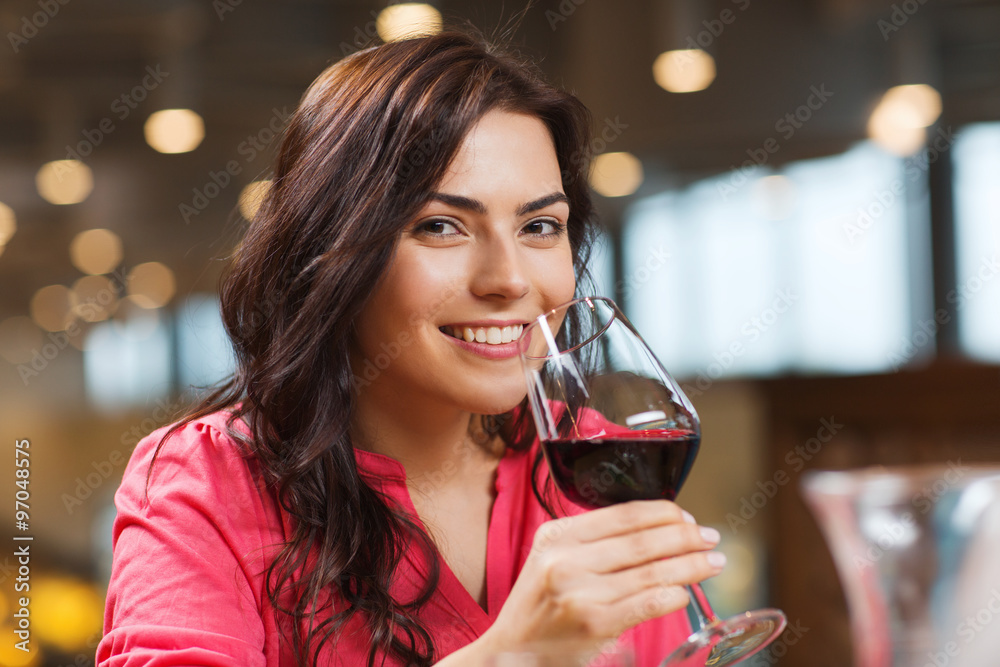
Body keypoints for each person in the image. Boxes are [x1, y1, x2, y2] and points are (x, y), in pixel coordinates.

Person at [98, 29, 725, 667]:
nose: (509, 279)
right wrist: (510, 657)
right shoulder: (205, 485)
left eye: (540, 226)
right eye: (440, 226)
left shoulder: (590, 461)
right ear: (329, 252)